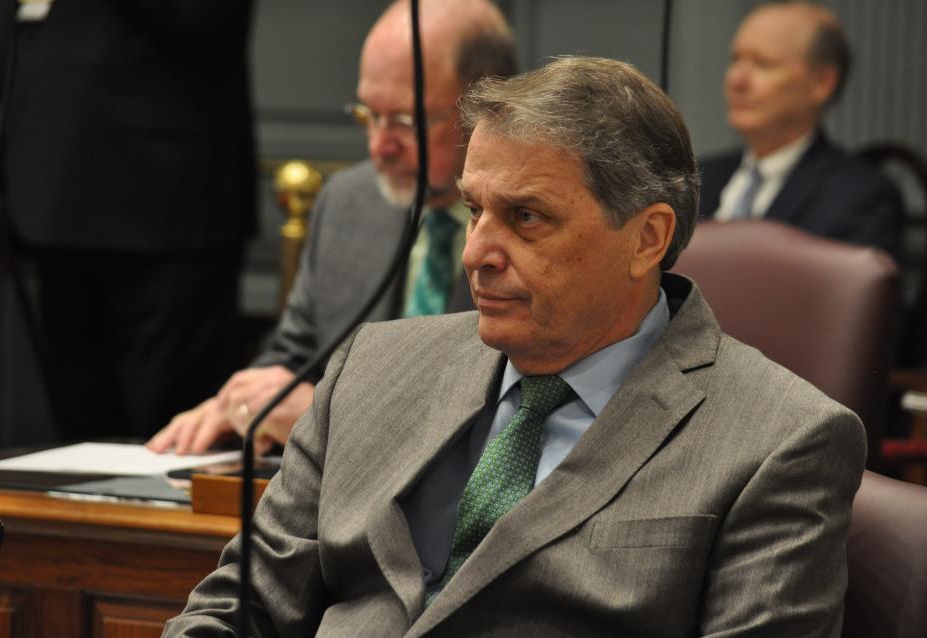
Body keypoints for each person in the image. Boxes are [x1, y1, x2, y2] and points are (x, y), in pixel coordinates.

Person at [164, 56, 865, 636]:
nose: (476, 255)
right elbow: (238, 607)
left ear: (647, 238)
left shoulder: (782, 440)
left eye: (526, 218)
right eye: (475, 210)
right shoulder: (371, 366)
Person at [147, 0, 517, 455]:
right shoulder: (349, 202)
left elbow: (510, 415)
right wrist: (237, 408)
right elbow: (292, 360)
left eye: (404, 121)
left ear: (489, 105)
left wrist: (324, 417)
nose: (380, 146)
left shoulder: (536, 225)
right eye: (367, 116)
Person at [0, 0, 257, 440]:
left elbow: (196, 17)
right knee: (78, 446)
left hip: (167, 206)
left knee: (173, 438)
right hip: (56, 198)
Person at [698, 1, 903, 261]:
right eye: (735, 60)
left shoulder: (860, 198)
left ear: (822, 83)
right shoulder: (697, 177)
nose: (737, 80)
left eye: (763, 64)